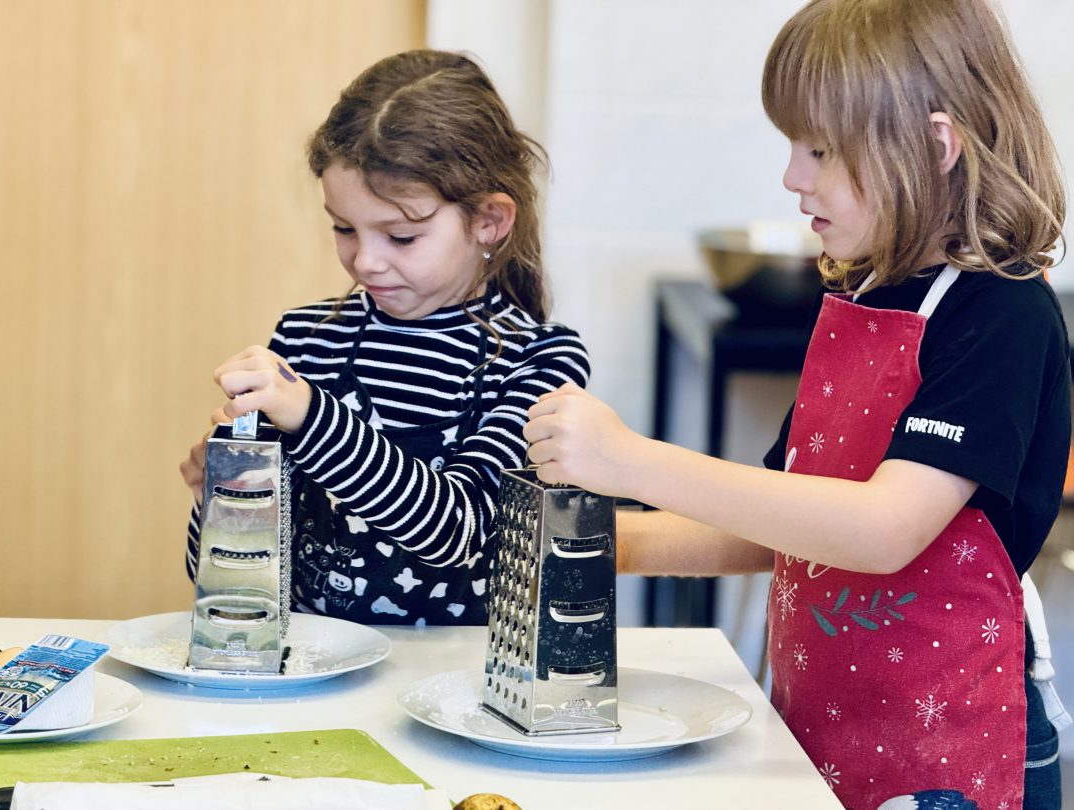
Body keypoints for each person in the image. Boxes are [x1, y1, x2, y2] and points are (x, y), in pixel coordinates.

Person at [524, 1, 1067, 807]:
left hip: (946, 760)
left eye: (821, 150)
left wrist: (630, 460)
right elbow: (780, 525)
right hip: (820, 734)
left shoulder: (1000, 314)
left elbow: (882, 529)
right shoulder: (861, 293)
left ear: (934, 145)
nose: (792, 177)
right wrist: (610, 544)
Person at [180, 50, 589, 627]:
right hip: (313, 668)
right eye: (344, 229)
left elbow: (459, 533)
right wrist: (222, 500)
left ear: (489, 221)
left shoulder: (537, 360)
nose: (365, 261)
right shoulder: (304, 339)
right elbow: (231, 583)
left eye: (401, 236)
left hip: (453, 685)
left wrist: (312, 416)